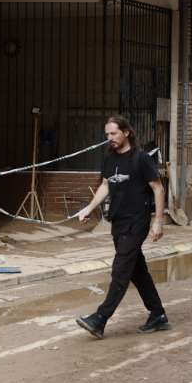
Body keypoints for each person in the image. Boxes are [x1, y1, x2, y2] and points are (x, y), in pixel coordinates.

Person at [74, 116, 169, 339]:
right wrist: (89, 208)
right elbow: (106, 185)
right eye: (107, 134)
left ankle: (100, 319)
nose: (110, 138)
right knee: (138, 271)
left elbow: (158, 188)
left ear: (126, 132)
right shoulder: (109, 158)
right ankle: (158, 315)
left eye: (114, 133)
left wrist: (158, 221)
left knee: (120, 271)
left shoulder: (141, 159)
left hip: (137, 223)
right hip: (118, 222)